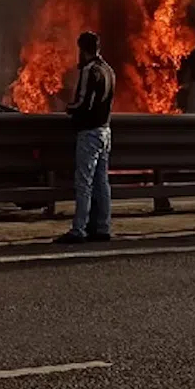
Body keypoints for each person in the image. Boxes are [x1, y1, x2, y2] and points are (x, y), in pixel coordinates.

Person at [56, 31, 115, 244]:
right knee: (102, 182)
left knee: (84, 183)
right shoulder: (109, 70)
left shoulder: (90, 71)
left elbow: (83, 102)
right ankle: (103, 227)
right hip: (105, 131)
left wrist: (69, 108)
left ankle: (79, 229)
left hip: (89, 132)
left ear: (82, 49)